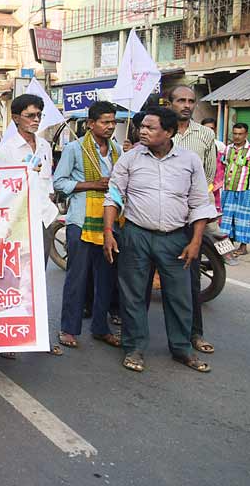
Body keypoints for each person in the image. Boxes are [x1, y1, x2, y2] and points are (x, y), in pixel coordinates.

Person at [103, 106, 217, 374]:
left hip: (176, 238)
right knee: (132, 295)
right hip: (136, 234)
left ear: (169, 132)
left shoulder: (190, 161)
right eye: (141, 126)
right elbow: (114, 196)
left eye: (150, 127)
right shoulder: (130, 159)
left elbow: (200, 203)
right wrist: (109, 232)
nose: (142, 131)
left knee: (179, 296)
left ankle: (181, 349)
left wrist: (196, 242)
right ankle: (134, 348)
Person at [0, 93, 63, 357]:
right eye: (30, 115)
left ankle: (38, 335)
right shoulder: (6, 150)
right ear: (16, 118)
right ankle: (7, 338)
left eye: (39, 115)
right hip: (17, 223)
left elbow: (48, 181)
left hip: (43, 218)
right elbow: (1, 190)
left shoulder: (44, 146)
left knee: (38, 281)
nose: (36, 120)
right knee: (13, 281)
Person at [52, 101, 122, 349]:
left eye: (113, 122)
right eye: (105, 122)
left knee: (106, 277)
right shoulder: (74, 148)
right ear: (91, 124)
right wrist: (92, 185)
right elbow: (59, 182)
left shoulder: (116, 150)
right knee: (77, 278)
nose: (110, 126)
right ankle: (68, 329)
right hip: (80, 221)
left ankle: (101, 327)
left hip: (108, 222)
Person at [168, 86, 216, 355]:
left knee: (191, 281)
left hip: (190, 221)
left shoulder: (206, 135)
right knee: (144, 279)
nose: (186, 105)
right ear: (170, 103)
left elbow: (207, 177)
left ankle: (194, 334)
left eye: (190, 101)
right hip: (157, 217)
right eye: (180, 100)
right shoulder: (160, 131)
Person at [220, 123, 250, 258]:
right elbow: (223, 167)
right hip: (228, 189)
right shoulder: (227, 149)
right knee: (226, 218)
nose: (237, 136)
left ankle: (243, 247)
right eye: (235, 133)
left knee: (242, 218)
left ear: (246, 134)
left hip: (244, 190)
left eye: (240, 134)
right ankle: (228, 246)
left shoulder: (249, 150)